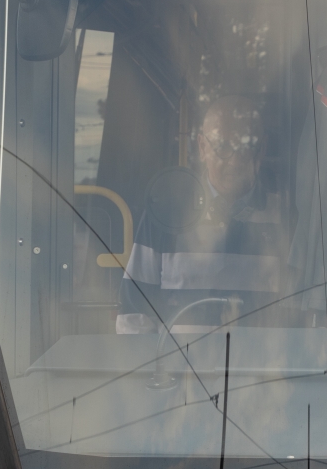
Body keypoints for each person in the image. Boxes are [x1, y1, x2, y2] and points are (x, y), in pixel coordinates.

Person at [118, 96, 287, 334]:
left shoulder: (287, 218)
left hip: (262, 370)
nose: (235, 160)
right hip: (180, 369)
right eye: (223, 146)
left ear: (262, 150)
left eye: (247, 145)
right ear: (202, 148)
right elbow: (133, 317)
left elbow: (298, 318)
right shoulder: (166, 214)